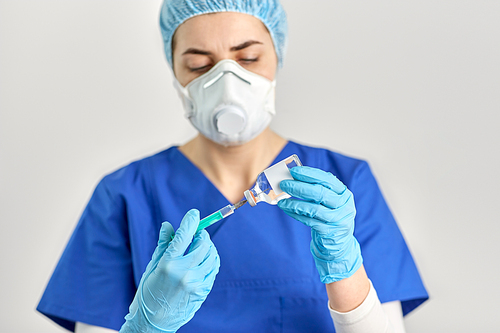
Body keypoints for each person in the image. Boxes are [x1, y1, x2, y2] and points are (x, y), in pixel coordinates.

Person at [37, 1, 428, 332]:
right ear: (174, 72)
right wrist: (146, 324)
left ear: (278, 55)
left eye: (248, 58)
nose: (227, 82)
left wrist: (344, 267)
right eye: (198, 65)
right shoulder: (125, 194)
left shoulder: (343, 184)